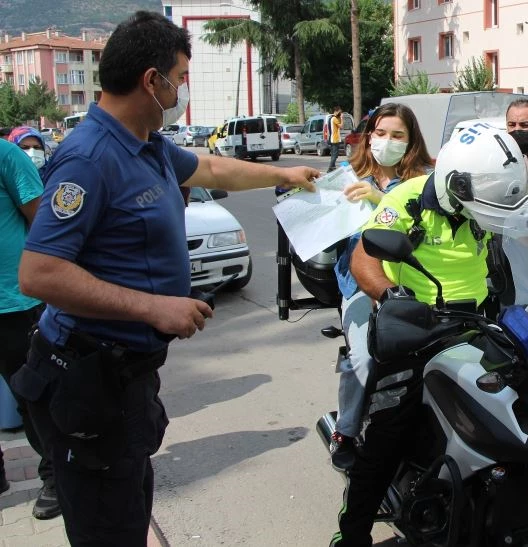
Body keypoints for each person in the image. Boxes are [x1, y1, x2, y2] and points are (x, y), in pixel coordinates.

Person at [13, 11, 318, 546]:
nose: (181, 90)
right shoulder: (88, 159)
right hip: (87, 378)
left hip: (125, 379)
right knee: (109, 527)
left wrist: (284, 174)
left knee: (128, 506)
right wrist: (154, 308)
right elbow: (39, 273)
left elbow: (212, 169)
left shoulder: (146, 142)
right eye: (178, 78)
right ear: (150, 81)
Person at [330, 126, 528, 546]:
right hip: (418, 327)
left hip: (480, 324)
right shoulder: (406, 200)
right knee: (390, 431)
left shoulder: (488, 198)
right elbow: (363, 259)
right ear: (454, 183)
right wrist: (392, 297)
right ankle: (352, 529)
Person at [329, 103, 434, 471]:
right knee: (364, 356)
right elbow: (323, 229)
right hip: (362, 285)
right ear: (369, 135)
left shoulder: (426, 180)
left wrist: (383, 201)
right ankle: (345, 429)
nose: (387, 141)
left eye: (397, 135)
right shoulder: (347, 175)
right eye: (381, 133)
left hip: (419, 284)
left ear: (411, 141)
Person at [0, 137, 61, 519]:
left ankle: (56, 473)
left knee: (32, 396)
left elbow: (43, 224)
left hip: (14, 302)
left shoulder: (7, 156)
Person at [328, 105, 344, 172]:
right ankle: (330, 168)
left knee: (334, 155)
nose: (340, 113)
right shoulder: (334, 119)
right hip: (335, 139)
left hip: (334, 139)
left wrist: (340, 118)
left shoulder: (332, 118)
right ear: (336, 111)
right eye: (339, 112)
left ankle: (333, 168)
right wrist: (342, 118)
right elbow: (341, 126)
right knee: (335, 155)